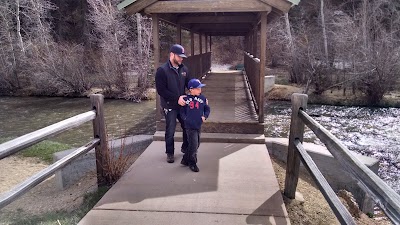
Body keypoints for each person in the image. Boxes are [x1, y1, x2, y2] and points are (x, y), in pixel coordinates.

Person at [155, 44, 191, 163]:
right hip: (169, 105)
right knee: (170, 130)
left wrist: (197, 96)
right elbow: (161, 90)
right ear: (172, 55)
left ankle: (185, 147)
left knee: (187, 126)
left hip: (182, 105)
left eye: (182, 57)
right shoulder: (162, 70)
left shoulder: (184, 69)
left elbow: (189, 84)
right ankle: (170, 153)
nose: (181, 59)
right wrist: (177, 98)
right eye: (179, 56)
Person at [180, 79, 210, 172]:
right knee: (194, 145)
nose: (200, 90)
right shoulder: (185, 99)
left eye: (200, 88)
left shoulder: (203, 99)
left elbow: (207, 109)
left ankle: (185, 159)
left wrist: (205, 116)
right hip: (189, 126)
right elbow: (181, 111)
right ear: (191, 89)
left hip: (198, 124)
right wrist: (185, 118)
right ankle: (192, 163)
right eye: (198, 88)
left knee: (196, 144)